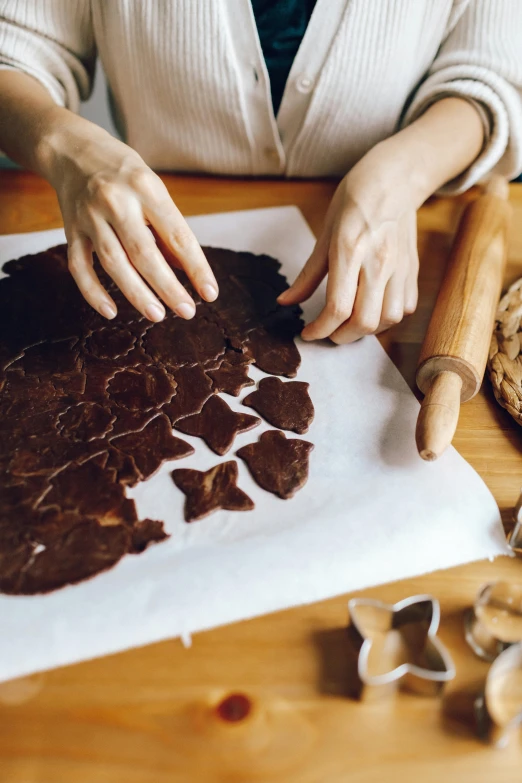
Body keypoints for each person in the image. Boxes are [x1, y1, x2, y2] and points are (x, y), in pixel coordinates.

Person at [0, 1, 521, 344]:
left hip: (393, 257)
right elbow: (15, 51)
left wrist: (406, 172)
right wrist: (64, 146)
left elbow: (497, 73)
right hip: (145, 237)